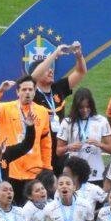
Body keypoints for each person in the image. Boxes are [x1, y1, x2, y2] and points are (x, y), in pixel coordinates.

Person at [0, 75, 52, 202]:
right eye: (24, 90)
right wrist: (0, 91)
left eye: (30, 89)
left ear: (35, 92)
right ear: (17, 92)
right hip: (10, 169)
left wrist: (47, 167)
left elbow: (45, 142)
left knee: (33, 210)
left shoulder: (42, 112)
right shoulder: (4, 108)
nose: (27, 93)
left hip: (34, 170)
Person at [30, 41, 88, 176]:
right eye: (46, 68)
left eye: (51, 68)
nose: (51, 70)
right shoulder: (31, 92)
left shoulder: (58, 88)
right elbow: (32, 78)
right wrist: (55, 53)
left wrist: (78, 55)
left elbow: (81, 72)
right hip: (41, 147)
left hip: (61, 147)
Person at [56, 88, 111, 186]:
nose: (85, 110)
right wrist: (69, 147)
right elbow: (58, 151)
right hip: (74, 174)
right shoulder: (67, 122)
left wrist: (99, 144)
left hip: (96, 173)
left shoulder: (101, 121)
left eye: (88, 107)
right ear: (76, 107)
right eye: (81, 107)